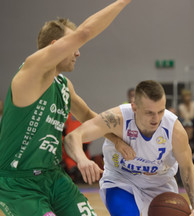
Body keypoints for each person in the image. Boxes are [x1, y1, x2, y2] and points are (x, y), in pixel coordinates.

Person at [0, 1, 132, 215]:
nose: (78, 53)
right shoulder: (30, 73)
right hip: (18, 184)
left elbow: (90, 117)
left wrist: (118, 140)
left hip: (53, 177)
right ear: (56, 46)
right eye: (74, 46)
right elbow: (85, 32)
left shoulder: (63, 86)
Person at [64, 80, 194, 216]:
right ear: (134, 107)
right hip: (122, 179)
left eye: (160, 111)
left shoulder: (174, 130)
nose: (156, 118)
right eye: (149, 112)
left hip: (159, 184)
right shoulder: (118, 118)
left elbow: (187, 167)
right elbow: (73, 137)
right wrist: (82, 159)